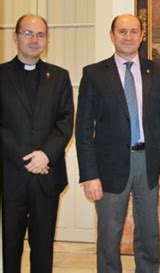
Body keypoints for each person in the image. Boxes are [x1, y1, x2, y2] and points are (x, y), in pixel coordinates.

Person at [75, 14, 160, 273]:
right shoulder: (94, 74)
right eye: (122, 31)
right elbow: (84, 129)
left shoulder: (157, 71)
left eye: (134, 32)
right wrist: (89, 175)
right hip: (109, 167)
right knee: (109, 236)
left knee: (149, 233)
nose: (128, 37)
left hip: (149, 163)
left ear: (142, 36)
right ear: (112, 35)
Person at [0, 14, 74, 273]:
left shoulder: (60, 77)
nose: (34, 40)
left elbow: (65, 123)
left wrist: (45, 155)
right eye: (28, 33)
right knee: (10, 244)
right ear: (15, 37)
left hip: (47, 175)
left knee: (43, 245)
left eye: (40, 34)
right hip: (10, 175)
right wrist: (28, 158)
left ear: (47, 40)